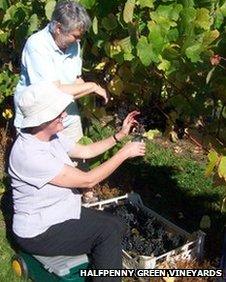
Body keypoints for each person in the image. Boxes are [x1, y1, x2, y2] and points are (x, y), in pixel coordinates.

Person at [8, 82, 145, 278]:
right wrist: (123, 154)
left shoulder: (49, 137)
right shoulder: (29, 154)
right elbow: (87, 180)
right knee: (107, 232)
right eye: (58, 112)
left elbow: (86, 151)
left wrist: (119, 136)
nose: (64, 114)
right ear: (43, 119)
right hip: (39, 232)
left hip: (58, 214)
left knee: (117, 224)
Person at [14, 0, 108, 143]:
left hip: (66, 112)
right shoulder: (37, 45)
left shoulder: (73, 45)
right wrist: (92, 86)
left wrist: (92, 95)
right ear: (58, 28)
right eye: (75, 36)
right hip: (37, 120)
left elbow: (76, 79)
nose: (79, 40)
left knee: (78, 158)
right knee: (41, 163)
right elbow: (53, 92)